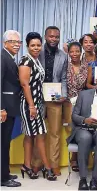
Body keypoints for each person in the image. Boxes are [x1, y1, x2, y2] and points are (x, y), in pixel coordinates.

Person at [18, 32, 57, 181]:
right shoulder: (25, 61)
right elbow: (24, 84)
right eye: (32, 45)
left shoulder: (35, 60)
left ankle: (26, 166)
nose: (36, 48)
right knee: (40, 135)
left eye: (38, 45)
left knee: (30, 136)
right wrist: (32, 106)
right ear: (27, 46)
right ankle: (47, 168)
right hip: (29, 104)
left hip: (36, 103)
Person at [32, 26, 68, 176]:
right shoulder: (36, 52)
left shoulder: (63, 55)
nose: (54, 39)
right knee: (39, 132)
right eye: (51, 36)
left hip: (55, 98)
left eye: (57, 37)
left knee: (55, 132)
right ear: (45, 37)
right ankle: (37, 163)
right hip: (38, 97)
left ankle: (54, 164)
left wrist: (64, 94)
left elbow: (64, 78)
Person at [1, 30, 22, 187]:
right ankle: (2, 178)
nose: (16, 44)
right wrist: (1, 108)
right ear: (4, 43)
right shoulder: (2, 58)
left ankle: (5, 172)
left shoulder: (10, 58)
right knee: (2, 143)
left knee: (6, 142)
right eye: (12, 42)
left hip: (11, 107)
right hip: (4, 109)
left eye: (18, 42)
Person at [66, 41, 89, 171]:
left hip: (83, 101)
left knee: (83, 129)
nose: (74, 54)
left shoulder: (86, 66)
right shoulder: (65, 65)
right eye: (72, 51)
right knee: (73, 129)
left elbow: (88, 84)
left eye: (77, 51)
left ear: (81, 52)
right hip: (68, 102)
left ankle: (82, 159)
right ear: (68, 53)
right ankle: (73, 159)